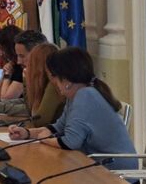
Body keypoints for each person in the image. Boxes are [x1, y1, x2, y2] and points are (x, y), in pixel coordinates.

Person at [8, 47, 136, 172]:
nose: (53, 82)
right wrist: (27, 133)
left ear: (66, 80)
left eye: (53, 76)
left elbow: (70, 142)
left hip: (115, 171)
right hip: (95, 165)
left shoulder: (85, 96)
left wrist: (43, 139)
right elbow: (58, 127)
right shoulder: (76, 94)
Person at [0, 25, 24, 100]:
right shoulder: (13, 65)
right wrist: (4, 75)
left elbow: (5, 99)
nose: (0, 54)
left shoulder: (22, 67)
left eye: (2, 49)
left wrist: (7, 75)